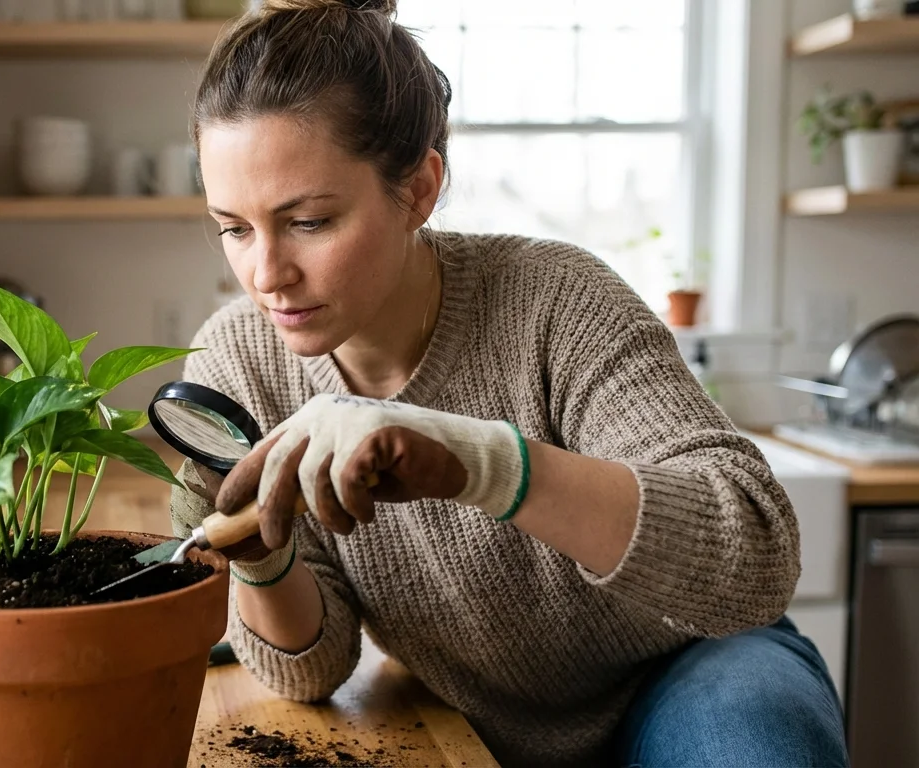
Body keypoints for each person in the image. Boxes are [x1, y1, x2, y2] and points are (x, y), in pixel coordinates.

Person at [166, 1, 849, 766]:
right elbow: (314, 668)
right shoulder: (237, 360)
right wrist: (264, 555)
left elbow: (752, 553)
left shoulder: (555, 299)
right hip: (481, 722)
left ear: (420, 188)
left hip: (689, 666)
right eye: (234, 227)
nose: (266, 275)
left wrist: (479, 461)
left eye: (311, 221)